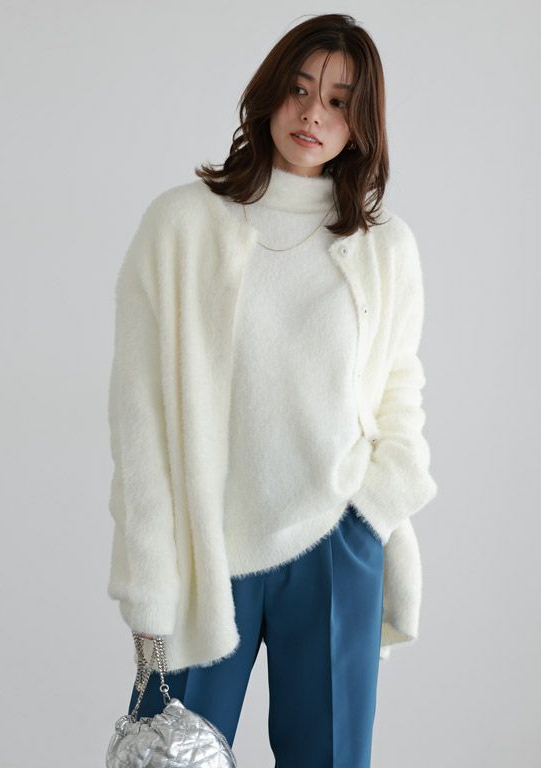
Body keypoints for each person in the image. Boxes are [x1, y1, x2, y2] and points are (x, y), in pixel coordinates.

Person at [106, 13, 437, 767]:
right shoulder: (182, 225)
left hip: (335, 541)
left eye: (340, 101)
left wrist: (374, 508)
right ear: (269, 94)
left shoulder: (384, 246)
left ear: (363, 124)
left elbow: (399, 386)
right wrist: (148, 588)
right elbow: (140, 418)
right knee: (170, 755)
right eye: (299, 89)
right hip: (205, 548)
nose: (314, 113)